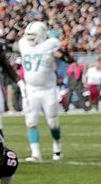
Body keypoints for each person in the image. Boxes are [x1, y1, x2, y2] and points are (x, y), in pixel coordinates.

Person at [17, 21, 74, 162]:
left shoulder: (50, 45)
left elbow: (67, 59)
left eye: (33, 35)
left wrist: (65, 52)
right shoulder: (22, 43)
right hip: (30, 89)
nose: (30, 38)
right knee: (31, 121)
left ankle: (57, 148)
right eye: (28, 35)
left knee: (53, 122)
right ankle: (35, 153)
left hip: (48, 89)